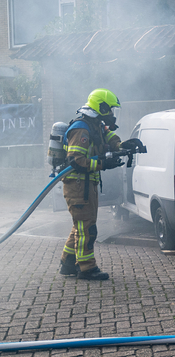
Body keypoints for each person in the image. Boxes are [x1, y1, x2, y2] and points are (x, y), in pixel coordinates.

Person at [59, 89, 125, 280]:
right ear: (101, 107)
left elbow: (110, 137)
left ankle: (68, 263)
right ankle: (87, 268)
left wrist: (123, 146)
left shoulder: (96, 125)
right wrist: (103, 163)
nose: (112, 114)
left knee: (80, 226)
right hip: (78, 186)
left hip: (86, 185)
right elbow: (76, 160)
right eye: (110, 109)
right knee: (87, 228)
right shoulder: (82, 129)